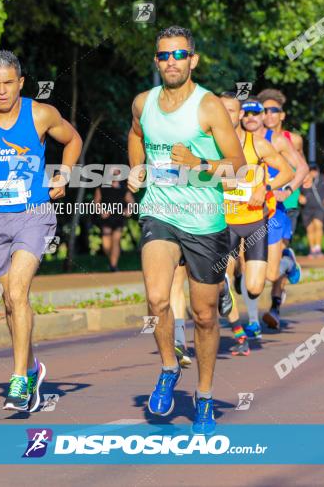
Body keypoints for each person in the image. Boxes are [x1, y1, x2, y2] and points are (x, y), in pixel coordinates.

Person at [0, 50, 82, 412]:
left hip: (34, 213)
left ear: (20, 83)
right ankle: (33, 368)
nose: (3, 91)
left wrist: (65, 174)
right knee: (10, 301)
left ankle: (19, 378)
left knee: (18, 292)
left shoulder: (40, 114)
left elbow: (73, 140)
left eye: (9, 84)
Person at [128, 25, 245, 435]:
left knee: (204, 315)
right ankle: (167, 367)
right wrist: (137, 169)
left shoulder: (209, 106)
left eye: (179, 55)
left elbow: (238, 166)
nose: (171, 62)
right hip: (159, 211)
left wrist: (198, 163)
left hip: (203, 218)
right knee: (158, 300)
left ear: (193, 59)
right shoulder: (143, 103)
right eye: (164, 55)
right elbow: (136, 135)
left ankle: (206, 396)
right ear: (156, 60)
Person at [219, 94, 293, 348]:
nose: (225, 115)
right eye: (220, 110)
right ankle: (237, 327)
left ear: (239, 114)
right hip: (224, 220)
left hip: (254, 221)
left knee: (253, 287)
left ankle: (248, 278)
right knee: (222, 278)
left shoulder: (257, 143)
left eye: (230, 110)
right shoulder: (209, 144)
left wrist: (266, 187)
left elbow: (287, 171)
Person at [254, 90, 307, 332]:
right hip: (258, 204)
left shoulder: (290, 140)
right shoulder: (251, 137)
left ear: (282, 115)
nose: (268, 115)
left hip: (286, 204)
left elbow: (301, 168)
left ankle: (275, 305)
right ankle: (287, 263)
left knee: (277, 254)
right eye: (263, 110)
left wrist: (289, 188)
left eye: (273, 110)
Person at [93, 168, 135, 272]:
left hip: (119, 217)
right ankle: (112, 260)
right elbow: (96, 201)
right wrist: (101, 211)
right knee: (106, 244)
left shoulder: (124, 188)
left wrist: (128, 210)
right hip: (106, 218)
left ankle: (113, 265)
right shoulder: (102, 188)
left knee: (116, 240)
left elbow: (131, 202)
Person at [300, 163, 324, 258]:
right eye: (311, 170)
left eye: (314, 170)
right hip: (307, 209)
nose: (313, 172)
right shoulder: (303, 180)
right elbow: (295, 190)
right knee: (310, 229)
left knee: (318, 225)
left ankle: (318, 248)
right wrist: (300, 197)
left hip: (319, 208)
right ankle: (312, 249)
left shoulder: (323, 179)